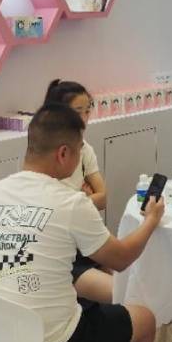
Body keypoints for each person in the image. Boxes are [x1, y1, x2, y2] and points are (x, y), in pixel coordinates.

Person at [0, 104, 163, 342]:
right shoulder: (69, 203)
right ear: (63, 153)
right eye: (79, 150)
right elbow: (121, 259)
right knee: (145, 322)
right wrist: (151, 221)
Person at [43, 79, 112, 304]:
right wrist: (83, 197)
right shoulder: (42, 153)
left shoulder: (85, 149)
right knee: (117, 290)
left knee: (121, 279)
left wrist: (79, 200)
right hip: (58, 247)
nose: (83, 118)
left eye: (87, 110)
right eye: (77, 111)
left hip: (84, 236)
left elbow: (103, 198)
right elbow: (51, 209)